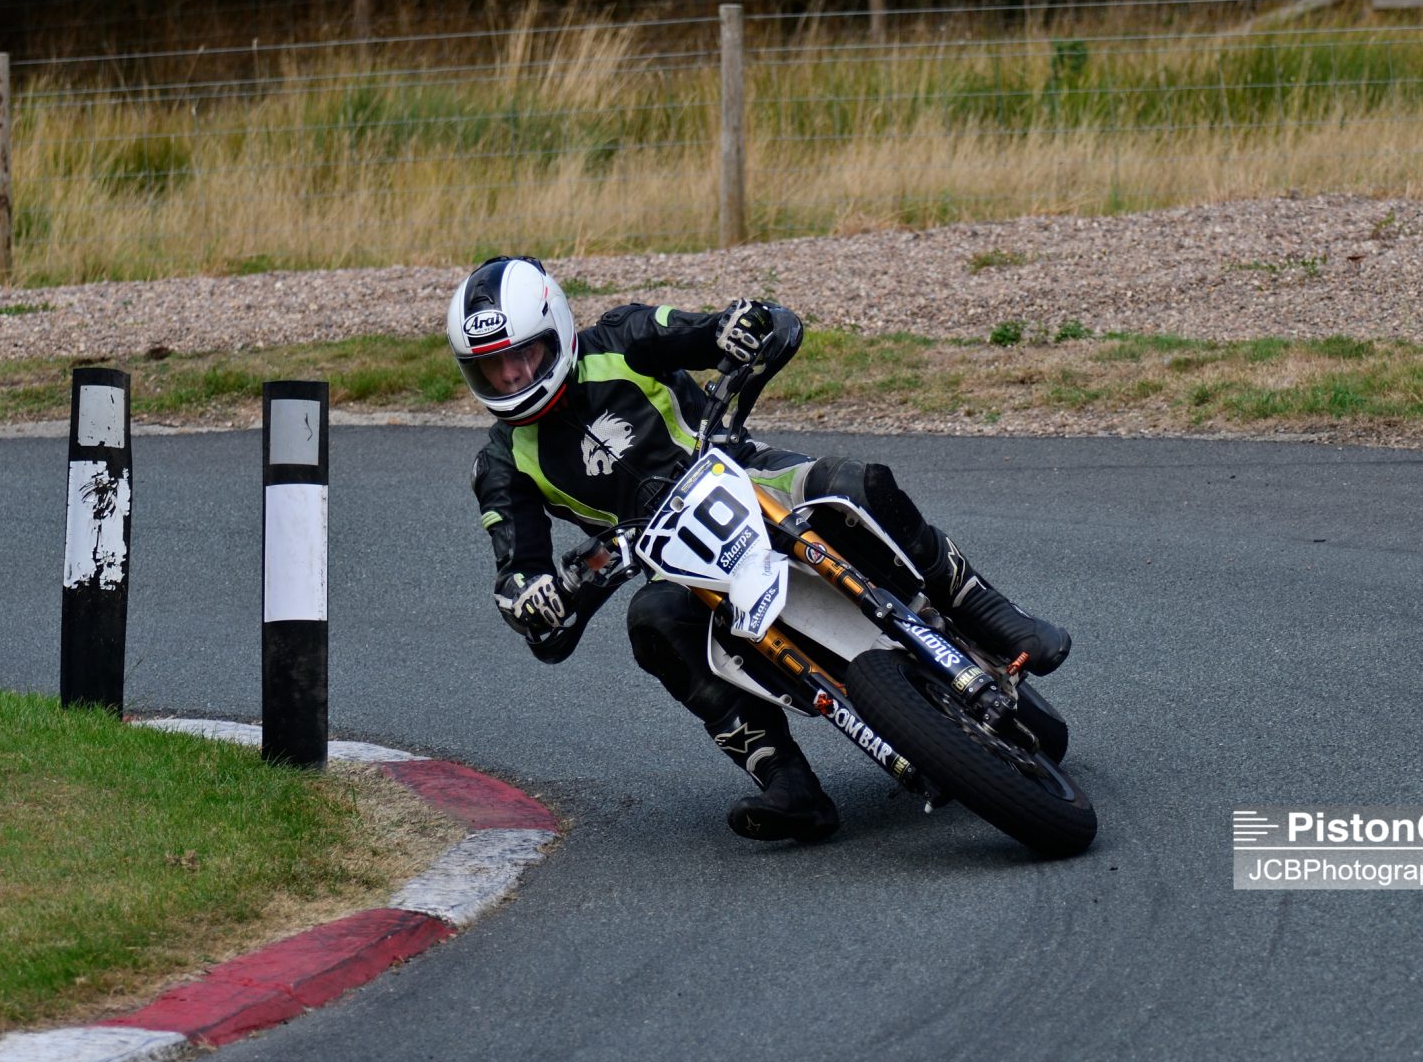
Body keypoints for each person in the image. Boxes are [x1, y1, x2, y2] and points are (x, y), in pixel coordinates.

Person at [453, 255, 1070, 844]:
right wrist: (531, 597)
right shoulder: (501, 463)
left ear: (557, 331)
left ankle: (987, 611)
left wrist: (736, 326)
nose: (512, 377)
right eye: (491, 369)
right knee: (653, 621)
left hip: (745, 475)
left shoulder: (622, 336)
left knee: (851, 484)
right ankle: (786, 780)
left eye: (523, 354)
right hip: (668, 556)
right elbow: (517, 569)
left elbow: (705, 330)